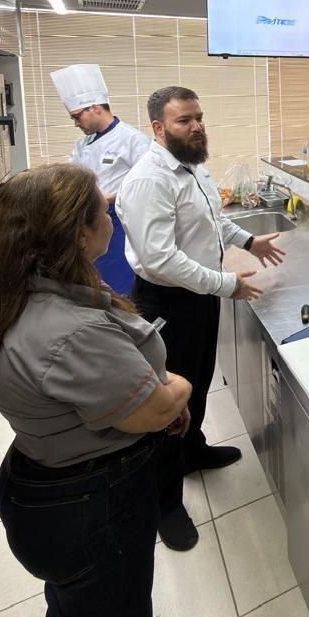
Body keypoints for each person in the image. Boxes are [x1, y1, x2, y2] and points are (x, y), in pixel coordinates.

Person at [0, 164, 192, 617]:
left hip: (46, 485)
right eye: (100, 208)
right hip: (93, 506)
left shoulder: (18, 295)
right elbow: (155, 408)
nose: (110, 214)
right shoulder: (72, 331)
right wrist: (181, 387)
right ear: (75, 232)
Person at [117, 86, 285, 551]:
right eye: (184, 121)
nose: (197, 127)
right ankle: (165, 503)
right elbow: (160, 259)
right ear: (158, 128)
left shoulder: (191, 166)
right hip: (166, 303)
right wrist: (226, 284)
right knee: (166, 403)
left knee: (198, 382)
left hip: (198, 299)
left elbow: (212, 222)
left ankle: (192, 452)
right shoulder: (149, 180)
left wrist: (248, 242)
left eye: (199, 117)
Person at [50, 63, 150, 296]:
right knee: (95, 286)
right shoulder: (82, 143)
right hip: (88, 222)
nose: (76, 123)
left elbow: (146, 184)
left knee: (119, 288)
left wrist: (106, 199)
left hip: (119, 224)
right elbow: (71, 175)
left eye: (77, 117)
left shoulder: (133, 140)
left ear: (95, 108)